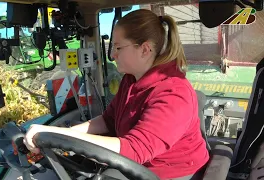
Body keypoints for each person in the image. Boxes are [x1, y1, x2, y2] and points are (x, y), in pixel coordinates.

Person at [23, 9, 210, 180]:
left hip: (175, 174)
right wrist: (61, 133)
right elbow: (108, 120)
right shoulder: (131, 79)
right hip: (139, 166)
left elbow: (134, 150)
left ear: (144, 49)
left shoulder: (174, 94)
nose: (112, 55)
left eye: (118, 47)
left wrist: (61, 137)